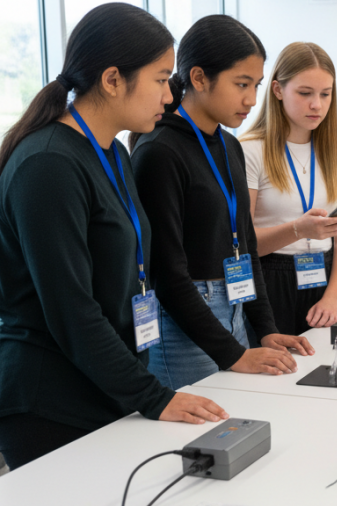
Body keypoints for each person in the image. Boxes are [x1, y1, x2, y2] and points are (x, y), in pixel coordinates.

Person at [0, 4, 226, 470]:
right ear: (112, 79)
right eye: (162, 79)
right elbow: (72, 310)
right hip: (51, 400)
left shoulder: (114, 153)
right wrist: (155, 397)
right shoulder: (48, 165)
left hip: (102, 385)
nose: (170, 95)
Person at [131, 16, 314, 392]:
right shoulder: (160, 152)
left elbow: (244, 246)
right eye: (241, 84)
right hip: (184, 321)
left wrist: (265, 329)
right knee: (200, 438)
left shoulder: (230, 145)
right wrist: (232, 353)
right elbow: (167, 273)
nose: (251, 99)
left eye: (257, 85)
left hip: (233, 309)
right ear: (198, 78)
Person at [240, 42, 337, 335]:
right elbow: (243, 243)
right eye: (305, 93)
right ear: (278, 90)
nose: (317, 104)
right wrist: (297, 230)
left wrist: (332, 294)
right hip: (268, 279)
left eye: (325, 94)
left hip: (323, 278)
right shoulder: (250, 150)